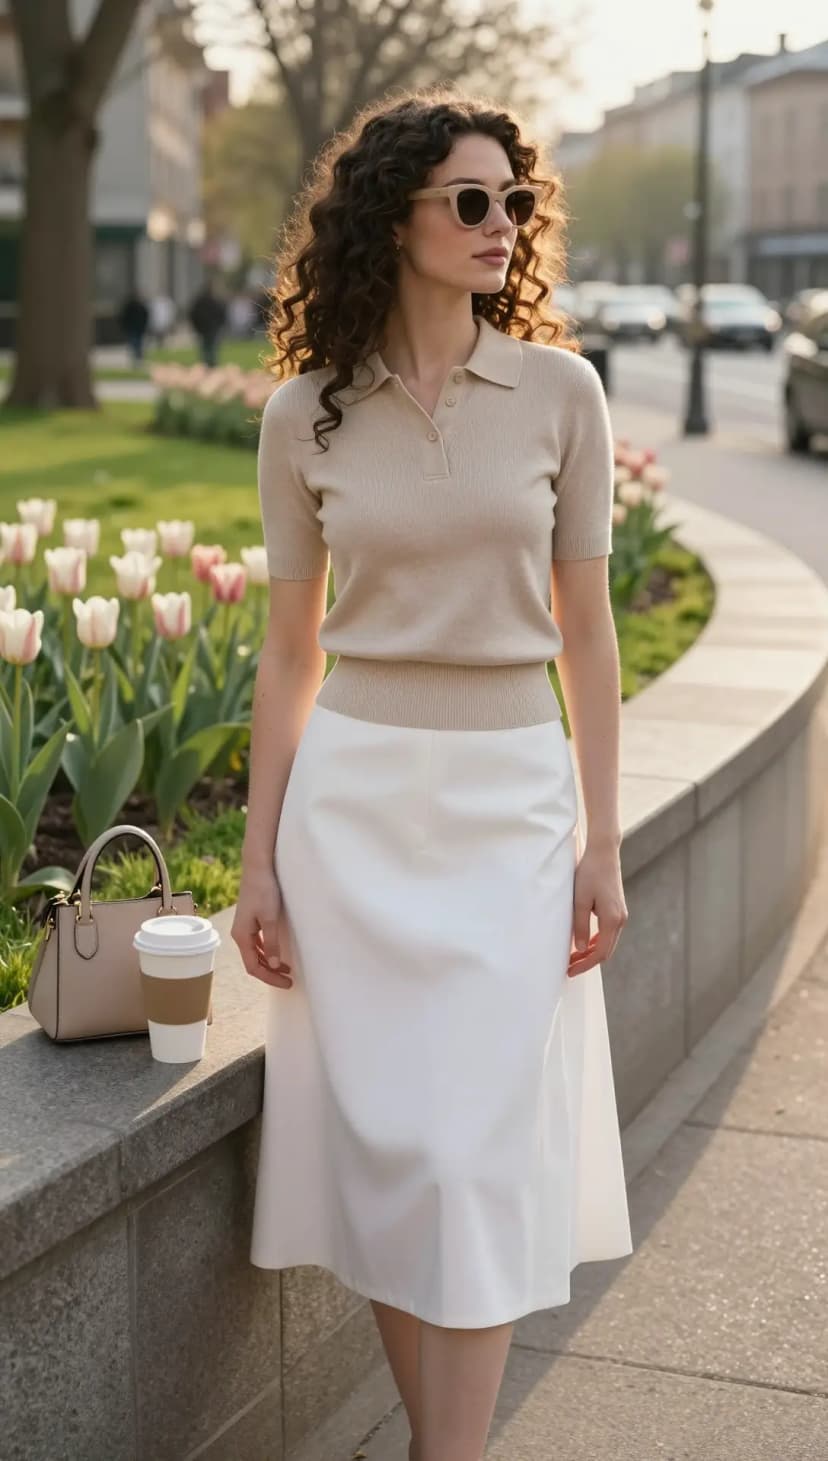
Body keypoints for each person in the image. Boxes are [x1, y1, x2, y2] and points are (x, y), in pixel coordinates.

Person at [234, 88, 633, 1461]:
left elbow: (591, 633)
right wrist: (258, 861)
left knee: (472, 1158)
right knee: (399, 1158)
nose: (499, 223)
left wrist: (603, 841)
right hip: (352, 814)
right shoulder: (304, 415)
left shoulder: (562, 394)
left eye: (513, 201)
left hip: (511, 805)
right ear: (391, 220)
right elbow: (288, 653)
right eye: (470, 199)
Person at [187, 281, 226, 366]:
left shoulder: (200, 301)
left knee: (206, 347)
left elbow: (193, 314)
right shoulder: (215, 301)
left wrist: (197, 327)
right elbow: (221, 314)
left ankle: (206, 363)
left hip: (204, 329)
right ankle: (211, 363)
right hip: (210, 329)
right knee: (211, 347)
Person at [118, 289, 149, 363]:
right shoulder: (131, 307)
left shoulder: (137, 307)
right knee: (135, 342)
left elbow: (145, 316)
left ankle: (137, 355)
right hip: (134, 328)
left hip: (136, 328)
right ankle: (137, 355)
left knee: (136, 342)